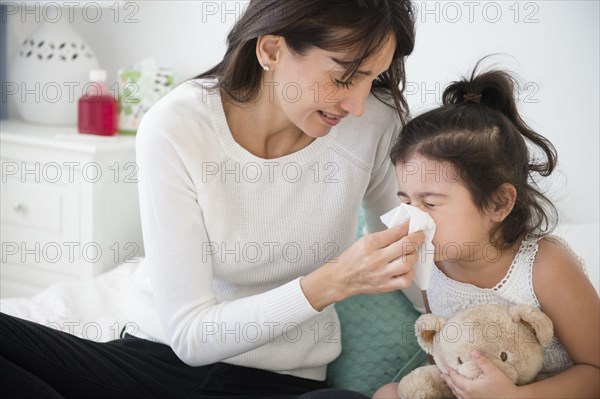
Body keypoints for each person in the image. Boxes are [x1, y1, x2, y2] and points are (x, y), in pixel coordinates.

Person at [0, 1, 426, 398]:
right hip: (153, 362)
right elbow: (190, 335)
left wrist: (467, 331)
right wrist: (329, 283)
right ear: (272, 50)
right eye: (343, 77)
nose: (356, 103)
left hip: (278, 382)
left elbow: (417, 258)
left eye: (373, 77)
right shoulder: (177, 125)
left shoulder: (374, 124)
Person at [373, 62, 600, 399]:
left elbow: (595, 371)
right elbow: (444, 354)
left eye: (431, 203)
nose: (413, 218)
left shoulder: (545, 265)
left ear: (498, 204)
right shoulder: (430, 264)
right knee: (387, 394)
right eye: (406, 201)